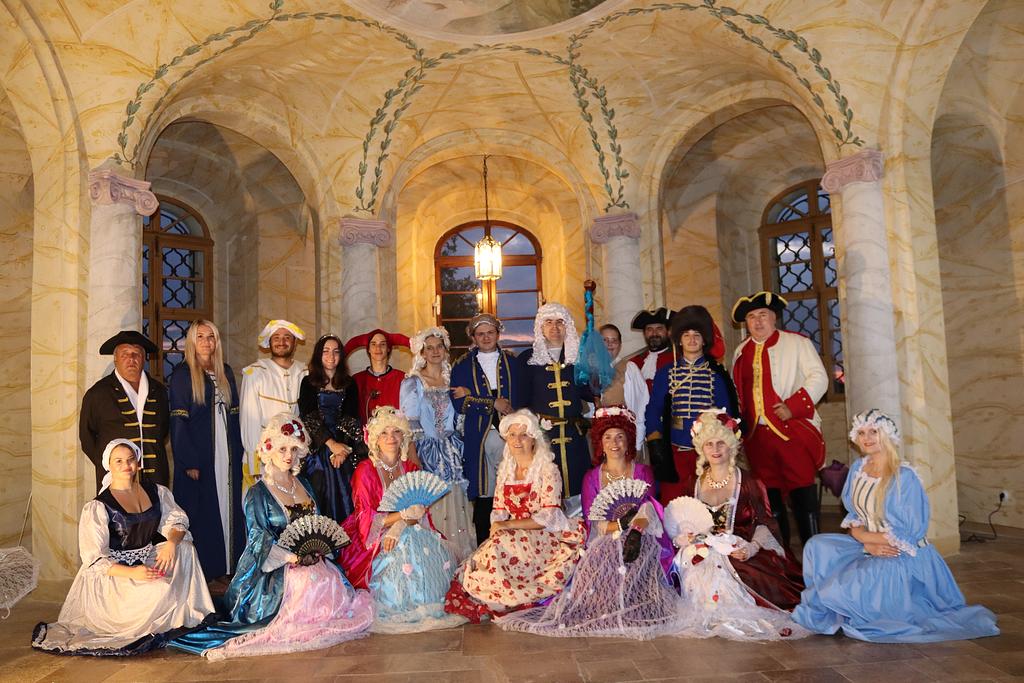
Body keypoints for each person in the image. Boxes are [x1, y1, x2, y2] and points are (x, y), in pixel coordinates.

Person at [171, 414, 374, 659]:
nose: (288, 455)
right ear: (269, 450)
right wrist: (292, 558)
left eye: (293, 449)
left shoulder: (305, 484)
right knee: (304, 582)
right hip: (273, 567)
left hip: (310, 561)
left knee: (328, 579)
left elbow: (317, 526)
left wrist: (317, 551)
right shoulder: (257, 493)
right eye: (282, 449)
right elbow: (258, 538)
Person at [793, 410, 999, 643]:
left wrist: (867, 541)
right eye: (861, 433)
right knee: (817, 546)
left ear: (887, 434)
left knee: (845, 587)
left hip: (900, 553)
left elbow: (908, 534)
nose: (867, 438)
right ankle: (840, 598)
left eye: (874, 431)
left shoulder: (904, 476)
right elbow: (854, 517)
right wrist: (865, 542)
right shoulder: (858, 468)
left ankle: (848, 601)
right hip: (871, 543)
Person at [495, 407, 679, 639]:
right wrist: (619, 527)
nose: (614, 443)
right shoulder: (592, 477)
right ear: (600, 442)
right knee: (604, 563)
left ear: (629, 441)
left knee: (638, 563)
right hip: (605, 538)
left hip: (641, 537)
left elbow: (648, 509)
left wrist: (634, 531)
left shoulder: (643, 471)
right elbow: (594, 522)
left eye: (620, 437)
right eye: (608, 437)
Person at [32, 439, 213, 655]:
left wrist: (171, 543)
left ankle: (186, 606)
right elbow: (94, 559)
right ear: (109, 465)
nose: (126, 465)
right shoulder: (98, 506)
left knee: (185, 548)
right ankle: (152, 610)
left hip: (145, 558)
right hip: (114, 574)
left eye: (130, 460)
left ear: (138, 462)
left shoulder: (156, 491)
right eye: (118, 461)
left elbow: (177, 520)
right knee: (162, 590)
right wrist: (133, 572)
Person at [667, 410, 807, 641]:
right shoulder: (694, 483)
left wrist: (752, 547)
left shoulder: (749, 482)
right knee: (688, 567)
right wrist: (685, 536)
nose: (715, 449)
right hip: (701, 550)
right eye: (709, 444)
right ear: (701, 448)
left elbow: (765, 522)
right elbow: (687, 520)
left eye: (721, 443)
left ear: (731, 446)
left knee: (750, 576)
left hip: (738, 548)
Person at [444, 409, 585, 623]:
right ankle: (495, 594)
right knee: (486, 556)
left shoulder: (548, 471)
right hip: (512, 533)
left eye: (523, 435)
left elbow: (548, 516)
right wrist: (499, 527)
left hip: (543, 535)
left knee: (501, 549)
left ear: (534, 439)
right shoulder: (506, 471)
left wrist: (508, 526)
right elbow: (499, 510)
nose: (517, 441)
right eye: (512, 435)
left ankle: (509, 596)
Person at [337, 407, 465, 633]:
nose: (391, 438)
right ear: (375, 439)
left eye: (396, 431)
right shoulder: (365, 471)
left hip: (410, 527)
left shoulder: (410, 467)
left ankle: (427, 599)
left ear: (404, 435)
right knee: (399, 552)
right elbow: (366, 517)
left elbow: (419, 509)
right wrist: (401, 516)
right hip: (376, 532)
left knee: (419, 545)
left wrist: (400, 525)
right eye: (384, 433)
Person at [731, 291, 827, 549]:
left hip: (791, 432)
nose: (757, 321)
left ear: (774, 317)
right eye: (752, 317)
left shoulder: (797, 343)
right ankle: (782, 557)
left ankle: (814, 554)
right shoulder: (741, 351)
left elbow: (819, 377)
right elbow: (738, 392)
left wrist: (793, 407)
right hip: (757, 438)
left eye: (763, 315)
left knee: (803, 493)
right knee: (769, 498)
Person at [169, 320, 245, 580]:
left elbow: (235, 416)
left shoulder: (225, 371)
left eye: (210, 336)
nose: (205, 342)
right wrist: (189, 461)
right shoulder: (182, 374)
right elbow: (179, 422)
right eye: (200, 336)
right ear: (192, 341)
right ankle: (206, 571)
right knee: (203, 510)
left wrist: (240, 452)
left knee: (228, 506)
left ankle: (229, 567)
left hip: (227, 451)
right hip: (200, 455)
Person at [646, 305, 738, 504]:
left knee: (708, 505)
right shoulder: (666, 372)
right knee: (674, 505)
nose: (692, 339)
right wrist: (655, 441)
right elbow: (653, 410)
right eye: (686, 335)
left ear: (704, 340)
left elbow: (726, 415)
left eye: (697, 335)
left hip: (708, 454)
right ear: (679, 340)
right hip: (675, 453)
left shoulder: (717, 374)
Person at [400, 327, 475, 562]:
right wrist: (414, 457)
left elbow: (461, 416)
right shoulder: (413, 382)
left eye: (439, 347)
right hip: (427, 450)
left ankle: (461, 559)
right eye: (429, 348)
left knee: (458, 503)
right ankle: (437, 560)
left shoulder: (454, 380)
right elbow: (409, 423)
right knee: (433, 502)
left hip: (454, 449)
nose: (435, 351)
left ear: (445, 349)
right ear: (422, 352)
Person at [450, 313, 521, 543]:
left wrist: (473, 396)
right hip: (479, 438)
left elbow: (521, 398)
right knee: (484, 494)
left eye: (490, 332)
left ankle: (514, 543)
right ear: (473, 337)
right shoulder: (461, 365)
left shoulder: (512, 362)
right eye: (480, 334)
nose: (486, 337)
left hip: (512, 437)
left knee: (513, 489)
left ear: (498, 334)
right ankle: (484, 545)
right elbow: (459, 404)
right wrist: (492, 403)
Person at [515, 303, 595, 498]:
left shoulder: (578, 357)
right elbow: (520, 401)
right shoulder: (527, 359)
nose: (554, 327)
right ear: (540, 327)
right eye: (548, 322)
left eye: (560, 322)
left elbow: (590, 393)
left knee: (578, 488)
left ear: (567, 326)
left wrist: (596, 372)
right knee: (546, 490)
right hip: (543, 437)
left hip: (574, 436)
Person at [80, 330, 170, 489]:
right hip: (116, 480)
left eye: (136, 354)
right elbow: (87, 438)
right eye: (125, 354)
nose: (131, 359)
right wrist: (110, 465)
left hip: (155, 476)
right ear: (115, 359)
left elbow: (163, 431)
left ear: (144, 358)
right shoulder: (98, 393)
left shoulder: (159, 391)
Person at [298, 334, 366, 523]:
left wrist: (342, 450)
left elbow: (350, 418)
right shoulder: (308, 382)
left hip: (344, 445)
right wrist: (331, 444)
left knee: (347, 494)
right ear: (318, 355)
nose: (331, 356)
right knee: (318, 492)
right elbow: (309, 417)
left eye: (336, 352)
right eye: (326, 351)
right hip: (317, 445)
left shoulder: (349, 384)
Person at [239, 320, 307, 488]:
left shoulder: (304, 372)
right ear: (269, 342)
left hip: (294, 459)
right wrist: (255, 462)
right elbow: (249, 421)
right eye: (276, 337)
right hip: (264, 459)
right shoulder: (255, 372)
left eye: (287, 337)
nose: (281, 342)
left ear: (295, 342)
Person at [345, 329, 410, 422]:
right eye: (373, 344)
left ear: (388, 349)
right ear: (368, 349)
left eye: (383, 344)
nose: (378, 348)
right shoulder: (357, 380)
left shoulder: (402, 378)